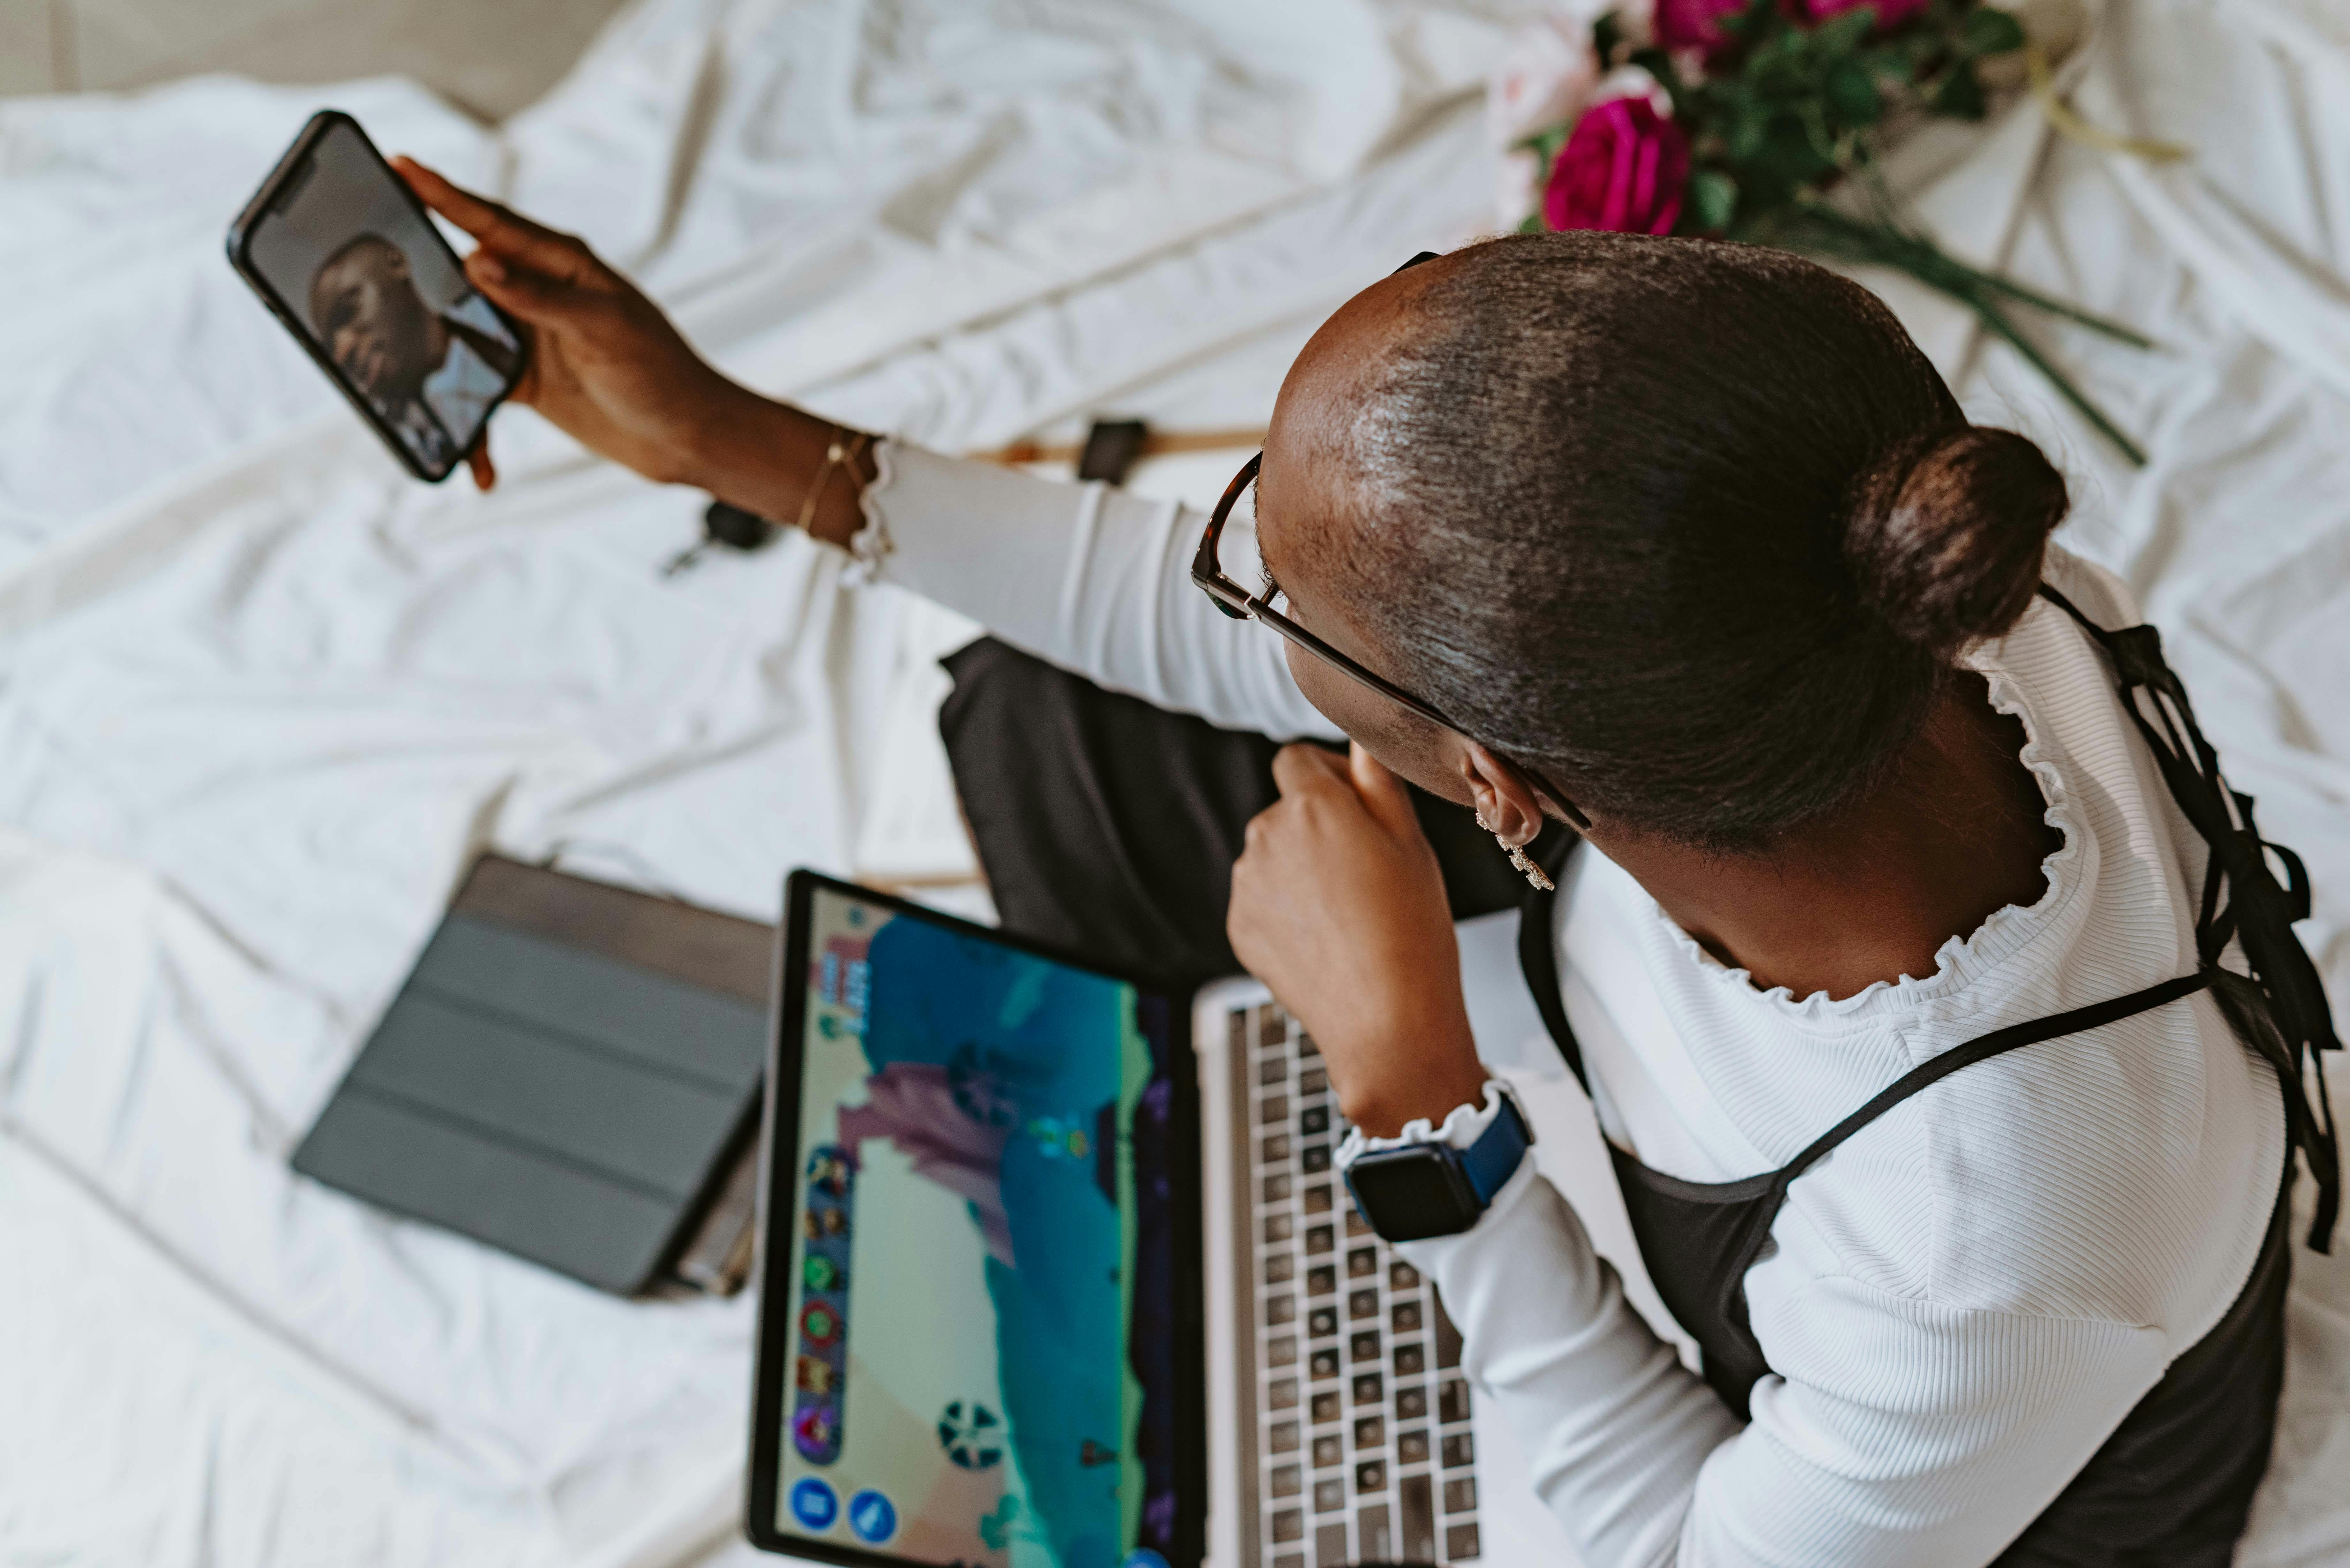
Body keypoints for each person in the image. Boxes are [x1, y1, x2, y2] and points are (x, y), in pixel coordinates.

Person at [392, 156, 2338, 1566]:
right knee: (1049, 711)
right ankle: (1166, 1155)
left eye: (1290, 597)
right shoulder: (1882, 578)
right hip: (1674, 985)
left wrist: (1420, 1115)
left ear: (1497, 779)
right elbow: (1211, 617)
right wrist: (729, 437)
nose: (1218, 562)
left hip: (1948, 1506)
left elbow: (1682, 1546)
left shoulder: (1989, 1230)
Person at [307, 232, 519, 471]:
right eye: (332, 344)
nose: (343, 349)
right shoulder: (405, 424)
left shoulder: (496, 319)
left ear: (396, 265)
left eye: (349, 309)